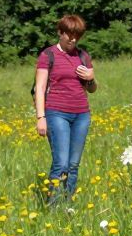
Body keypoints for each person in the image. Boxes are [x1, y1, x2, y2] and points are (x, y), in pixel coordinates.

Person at [34, 14, 97, 204]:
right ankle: (53, 205)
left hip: (81, 114)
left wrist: (91, 77)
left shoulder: (83, 56)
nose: (73, 39)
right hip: (56, 112)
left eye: (77, 35)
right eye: (69, 34)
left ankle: (67, 204)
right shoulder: (48, 55)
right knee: (61, 162)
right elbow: (40, 88)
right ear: (60, 32)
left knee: (74, 163)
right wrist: (40, 117)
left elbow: (92, 89)